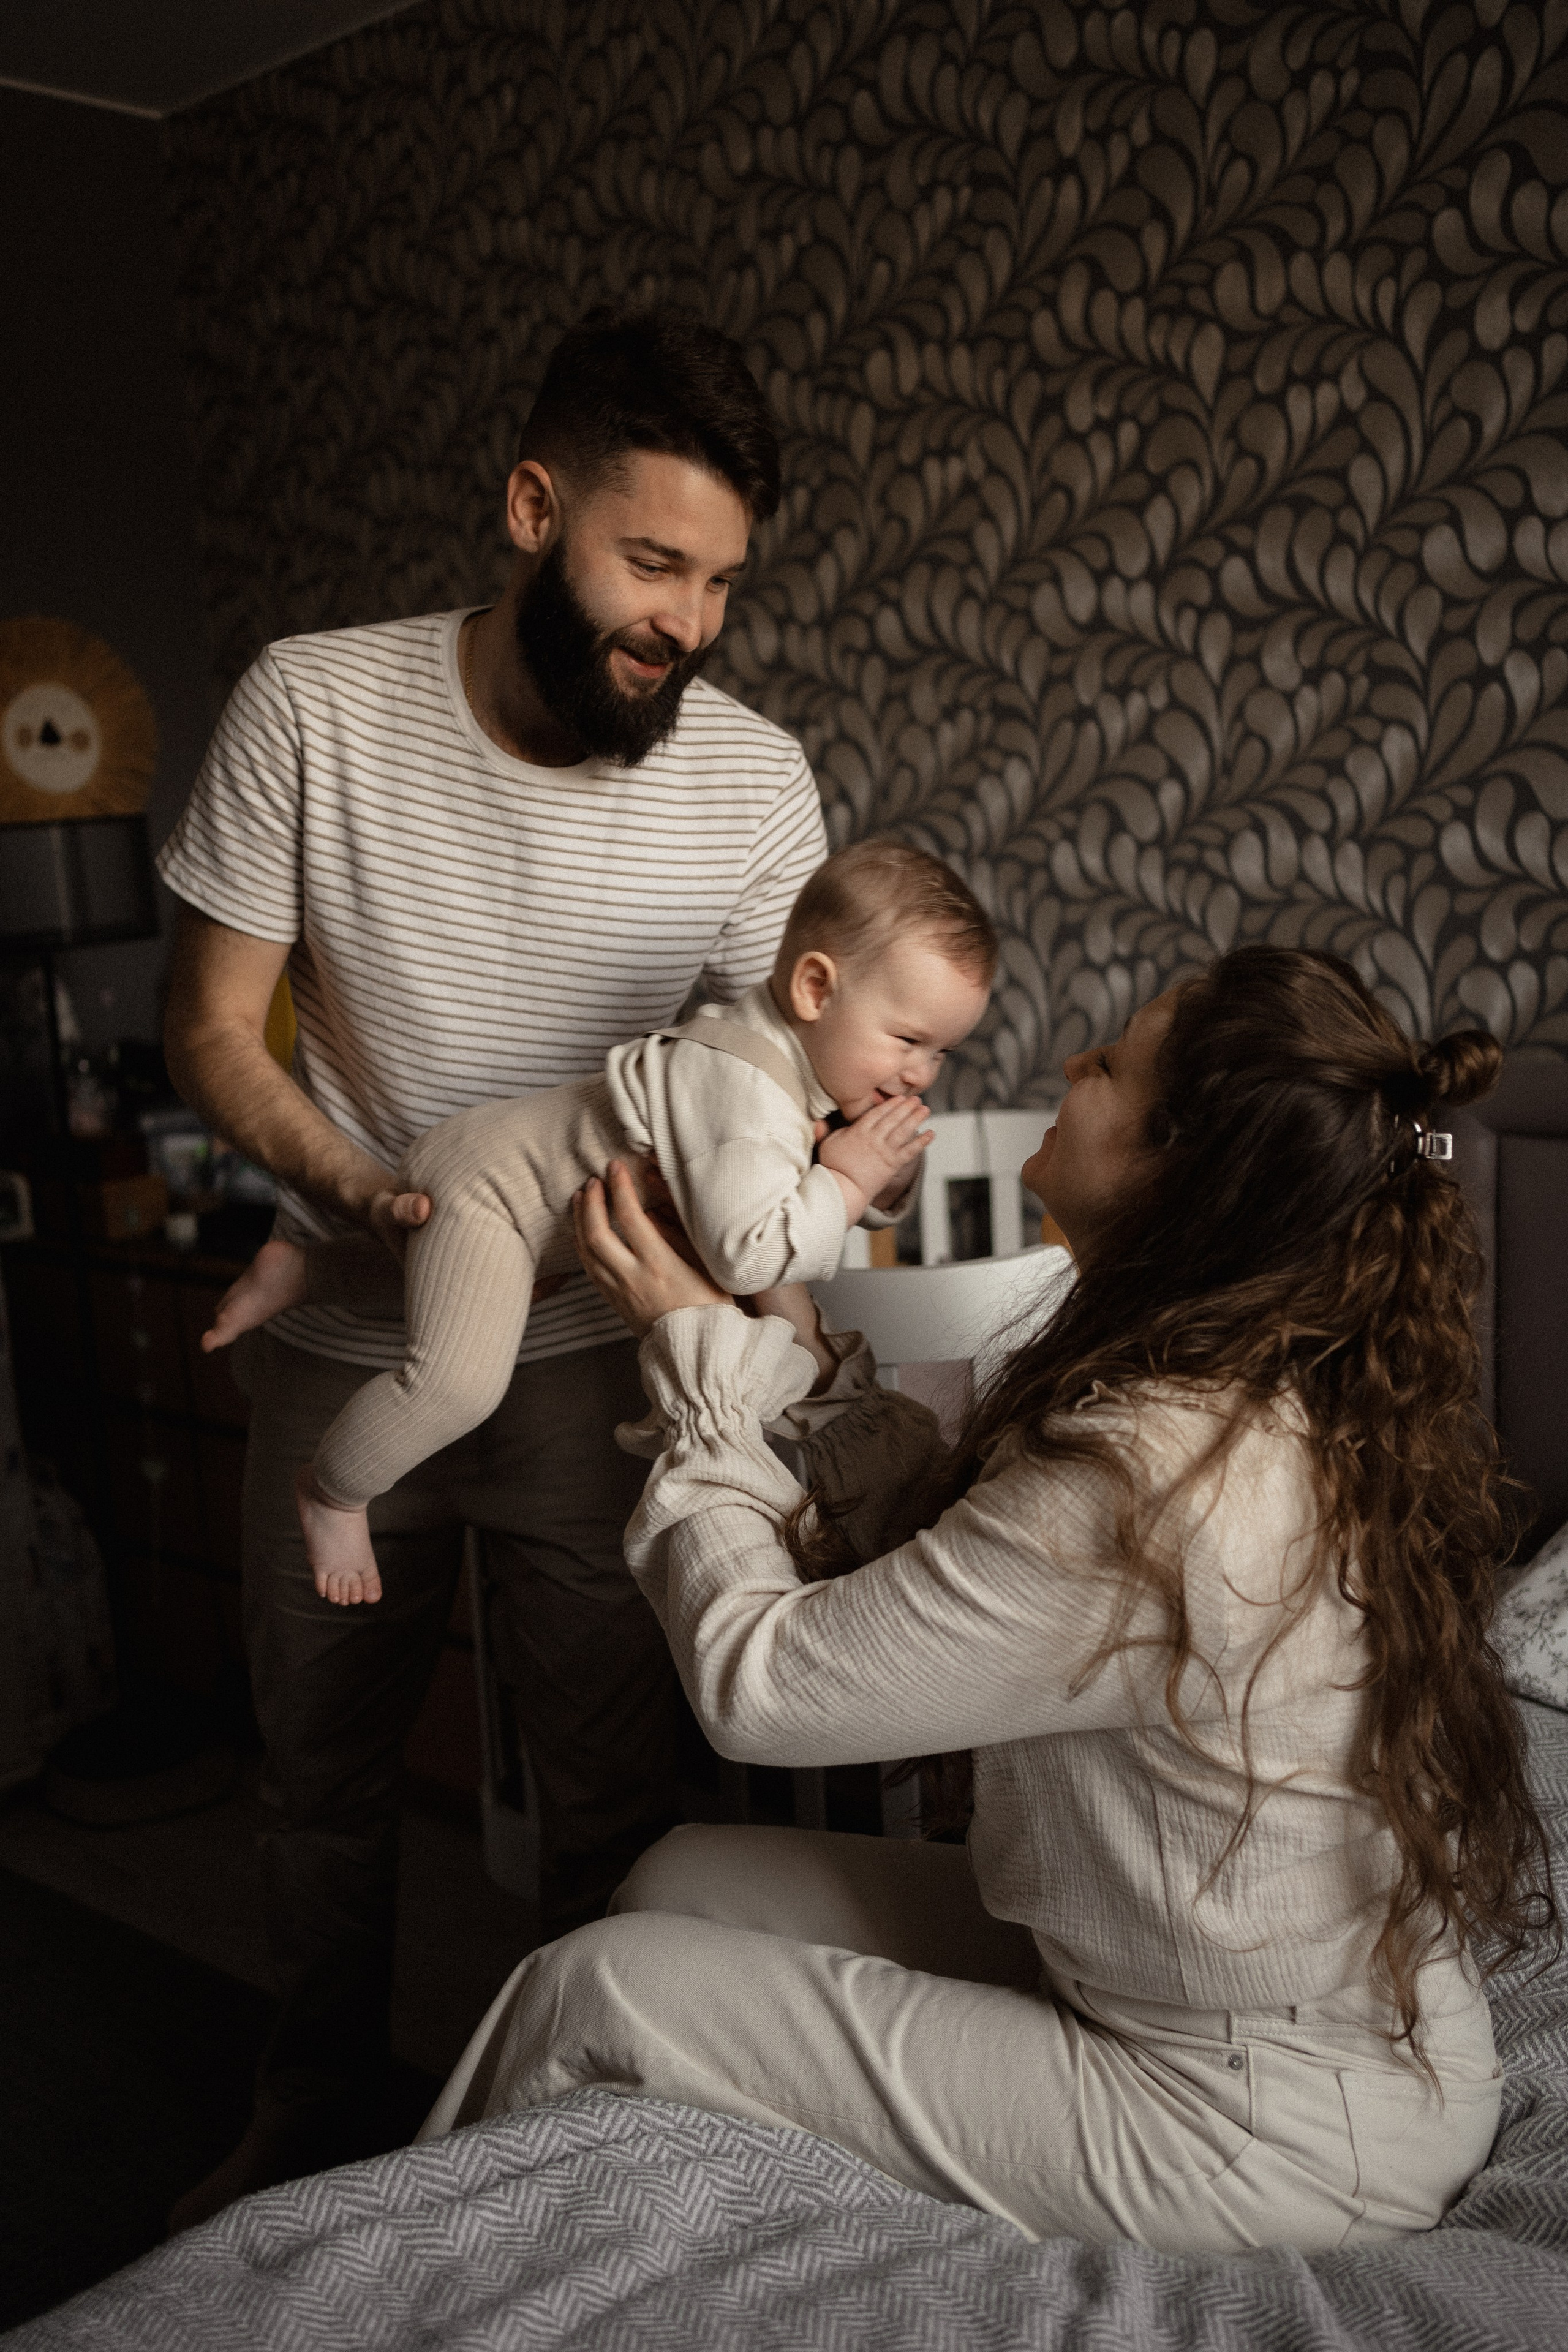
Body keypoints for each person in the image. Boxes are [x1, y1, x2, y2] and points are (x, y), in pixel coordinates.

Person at [419, 944, 1558, 2253]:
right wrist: (775, 1333)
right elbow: (964, 1544)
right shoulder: (1250, 1379)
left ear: (1178, 1169)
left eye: (1109, 1066)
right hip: (1276, 2018)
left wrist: (693, 1364)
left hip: (1255, 2125)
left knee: (589, 1993)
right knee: (676, 1871)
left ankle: (419, 2281)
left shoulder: (1155, 1480)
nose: (1069, 1066)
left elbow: (763, 1689)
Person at [159, 306, 830, 2226]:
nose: (686, 624)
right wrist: (354, 1194)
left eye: (720, 584)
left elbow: (751, 1104)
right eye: (651, 561)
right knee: (320, 1780)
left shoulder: (756, 785)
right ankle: (313, 2127)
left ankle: (578, 2170)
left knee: (616, 1798)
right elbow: (211, 1022)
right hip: (349, 1342)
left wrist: (770, 1296)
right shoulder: (313, 703)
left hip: (583, 1365)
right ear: (537, 506)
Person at [202, 841, 994, 1605]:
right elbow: (750, 1256)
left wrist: (870, 1172)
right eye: (908, 1041)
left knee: (458, 1284)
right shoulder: (745, 1088)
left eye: (941, 1054)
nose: (920, 1073)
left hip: (504, 1193)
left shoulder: (783, 1062)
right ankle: (334, 1491)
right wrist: (851, 1184)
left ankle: (304, 1270)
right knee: (459, 1384)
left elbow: (805, 1182)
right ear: (817, 990)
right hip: (494, 1191)